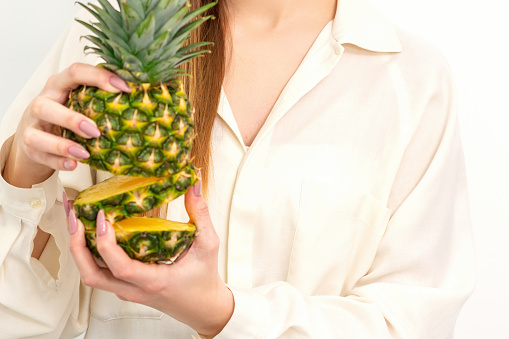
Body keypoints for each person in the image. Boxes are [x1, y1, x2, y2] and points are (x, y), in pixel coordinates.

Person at [0, 0, 475, 338]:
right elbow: (19, 323)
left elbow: (412, 324)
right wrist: (22, 172)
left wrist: (222, 314)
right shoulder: (109, 49)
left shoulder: (412, 81)